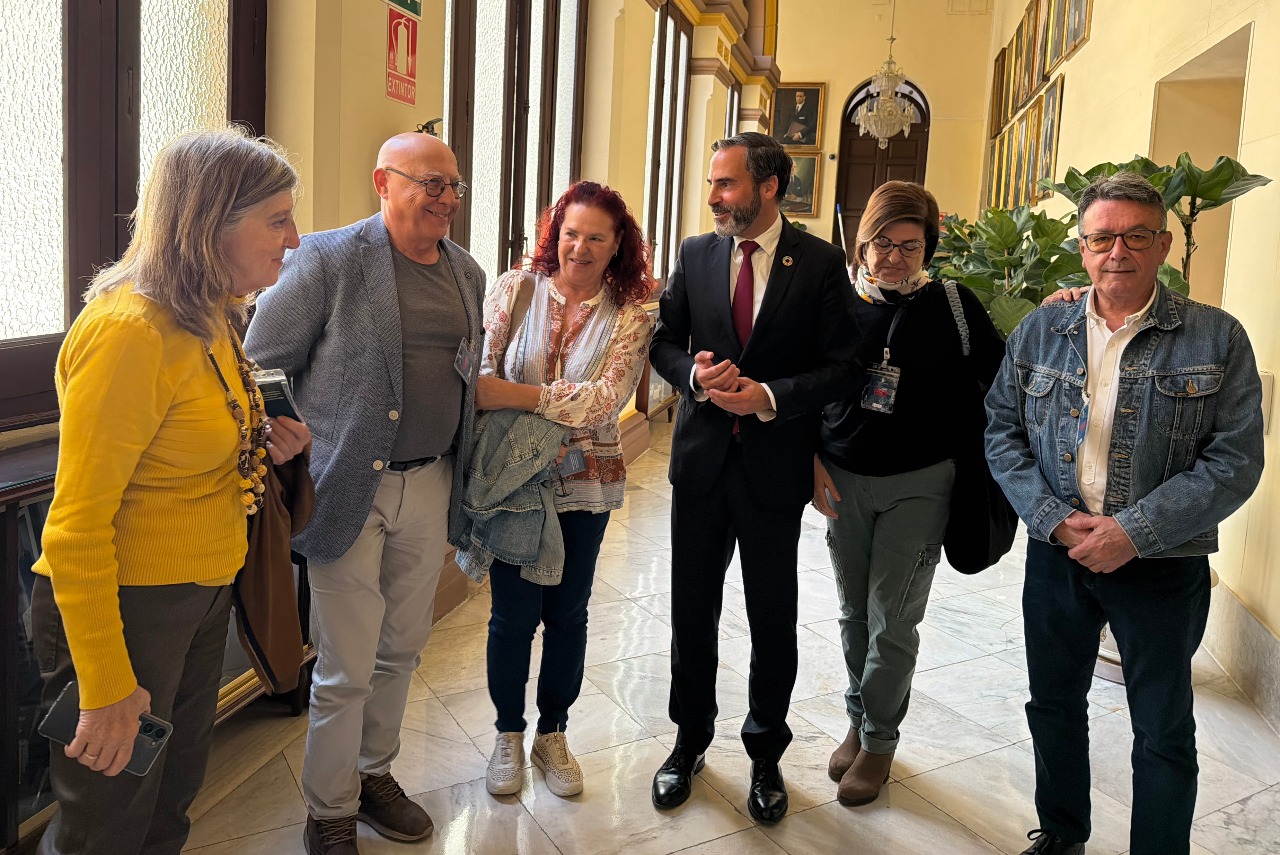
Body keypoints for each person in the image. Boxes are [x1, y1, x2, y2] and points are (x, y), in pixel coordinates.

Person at [32, 127, 310, 855]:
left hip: (198, 591)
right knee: (106, 824)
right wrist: (105, 684)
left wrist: (268, 445)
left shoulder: (214, 315)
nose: (294, 237)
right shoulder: (132, 332)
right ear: (208, 222)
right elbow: (74, 529)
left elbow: (191, 445)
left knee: (168, 805)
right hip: (123, 606)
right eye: (276, 218)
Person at [985, 172, 1264, 855]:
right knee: (1052, 704)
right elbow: (1000, 428)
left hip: (1164, 563)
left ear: (1163, 243)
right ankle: (1061, 832)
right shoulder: (1042, 329)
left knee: (1163, 727)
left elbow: (1235, 460)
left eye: (1136, 235)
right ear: (1082, 248)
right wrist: (1052, 517)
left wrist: (1133, 532)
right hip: (1059, 552)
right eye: (1103, 237)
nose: (1119, 250)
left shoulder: (1216, 338)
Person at [244, 132, 485, 855]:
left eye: (453, 186)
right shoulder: (329, 258)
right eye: (429, 183)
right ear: (383, 181)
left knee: (403, 647)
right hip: (347, 487)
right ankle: (330, 809)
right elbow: (258, 361)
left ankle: (375, 773)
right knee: (347, 662)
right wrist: (293, 442)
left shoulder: (468, 273)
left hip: (431, 479)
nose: (445, 198)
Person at [648, 132, 859, 824]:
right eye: (712, 184)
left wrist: (768, 395)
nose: (713, 197)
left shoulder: (821, 263)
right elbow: (664, 341)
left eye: (727, 184)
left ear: (769, 188)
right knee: (691, 611)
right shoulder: (696, 253)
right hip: (702, 466)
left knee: (772, 617)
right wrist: (694, 377)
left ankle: (766, 752)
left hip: (773, 470)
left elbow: (842, 367)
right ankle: (689, 740)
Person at [813, 181, 1005, 806]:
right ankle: (856, 717)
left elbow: (1004, 380)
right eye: (882, 244)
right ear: (861, 245)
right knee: (851, 615)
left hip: (922, 484)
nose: (895, 258)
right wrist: (811, 462)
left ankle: (878, 742)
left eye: (910, 246)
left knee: (892, 620)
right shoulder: (836, 303)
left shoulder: (955, 306)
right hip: (842, 479)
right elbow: (802, 388)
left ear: (929, 248)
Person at [472, 180, 655, 799]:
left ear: (616, 246)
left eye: (596, 237)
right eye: (571, 232)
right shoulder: (515, 289)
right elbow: (479, 377)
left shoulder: (630, 316)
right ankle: (506, 735)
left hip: (585, 487)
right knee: (512, 616)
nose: (580, 246)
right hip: (514, 482)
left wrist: (516, 397)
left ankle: (553, 733)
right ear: (556, 232)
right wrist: (545, 402)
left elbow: (605, 402)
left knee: (568, 613)